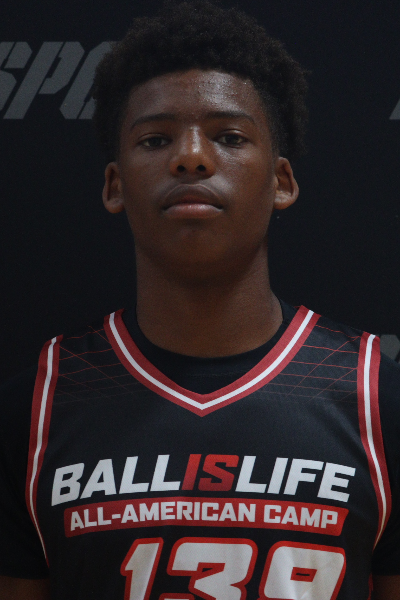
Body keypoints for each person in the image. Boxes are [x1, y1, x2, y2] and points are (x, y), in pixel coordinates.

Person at [1, 2, 399, 598]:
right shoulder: (41, 403)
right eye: (155, 139)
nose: (191, 156)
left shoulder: (374, 399)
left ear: (282, 182)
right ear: (115, 185)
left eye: (229, 137)